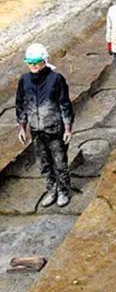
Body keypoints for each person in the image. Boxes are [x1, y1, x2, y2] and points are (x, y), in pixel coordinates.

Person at [16, 43, 74, 208]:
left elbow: (65, 104)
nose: (33, 65)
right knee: (44, 164)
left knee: (60, 162)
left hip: (54, 130)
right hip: (36, 131)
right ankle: (52, 189)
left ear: (44, 61)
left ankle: (63, 191)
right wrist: (22, 126)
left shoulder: (56, 79)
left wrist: (68, 127)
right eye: (30, 62)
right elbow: (21, 104)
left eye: (36, 62)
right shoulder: (24, 80)